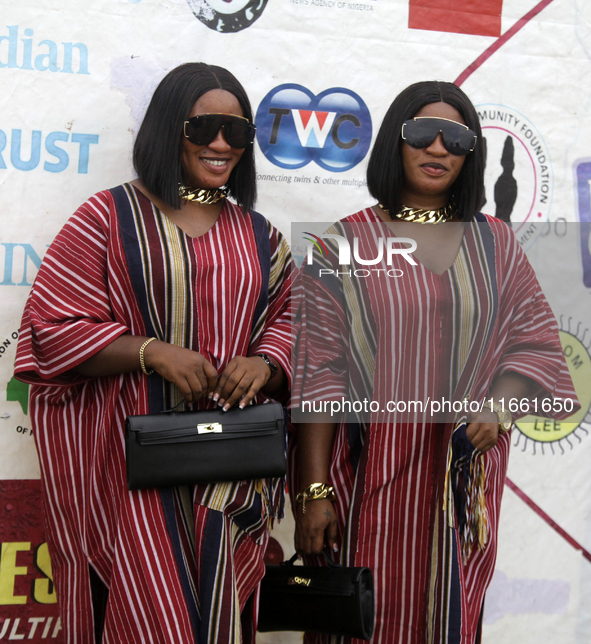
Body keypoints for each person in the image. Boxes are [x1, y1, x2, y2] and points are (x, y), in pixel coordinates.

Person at [291, 81, 579, 644]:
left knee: (449, 617)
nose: (439, 148)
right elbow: (317, 378)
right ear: (396, 142)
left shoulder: (495, 243)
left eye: (457, 138)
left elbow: (533, 340)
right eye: (422, 133)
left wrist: (501, 403)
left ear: (471, 153)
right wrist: (314, 493)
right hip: (368, 476)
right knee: (359, 623)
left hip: (461, 485)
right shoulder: (339, 245)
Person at [14, 62, 292, 644]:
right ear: (169, 128)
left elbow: (299, 324)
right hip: (127, 472)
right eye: (205, 127)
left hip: (227, 477)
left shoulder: (262, 236)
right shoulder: (106, 219)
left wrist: (265, 363)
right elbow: (49, 331)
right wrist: (150, 352)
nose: (221, 144)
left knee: (216, 613)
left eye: (236, 131)